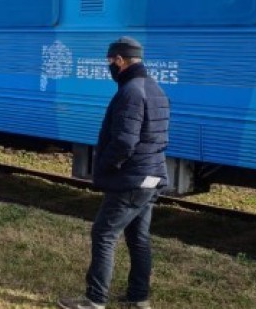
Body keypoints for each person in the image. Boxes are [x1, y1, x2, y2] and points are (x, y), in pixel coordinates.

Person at [59, 37, 170, 309]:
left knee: (103, 234)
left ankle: (95, 300)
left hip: (132, 180)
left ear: (120, 60)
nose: (110, 67)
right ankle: (138, 297)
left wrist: (106, 166)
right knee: (138, 237)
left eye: (110, 62)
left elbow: (124, 142)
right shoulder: (155, 88)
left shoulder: (130, 92)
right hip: (152, 175)